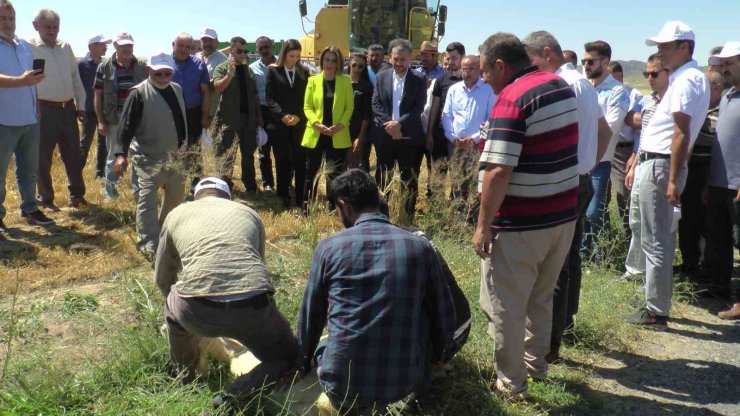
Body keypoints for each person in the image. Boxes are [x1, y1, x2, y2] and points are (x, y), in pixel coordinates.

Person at [296, 169, 456, 413]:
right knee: (422, 312)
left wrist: (303, 361)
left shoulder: (328, 248)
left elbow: (311, 316)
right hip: (403, 383)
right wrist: (438, 358)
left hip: (341, 384)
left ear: (343, 205)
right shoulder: (420, 247)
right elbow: (444, 312)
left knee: (323, 347)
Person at [473, 32, 578, 400]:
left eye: (485, 70)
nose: (484, 78)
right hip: (561, 218)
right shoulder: (558, 85)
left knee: (507, 307)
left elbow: (498, 171)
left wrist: (483, 226)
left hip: (521, 225)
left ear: (500, 65)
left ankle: (511, 385)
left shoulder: (512, 99)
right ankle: (535, 365)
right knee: (541, 297)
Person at [155, 177, 300, 390]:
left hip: (196, 309)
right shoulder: (249, 213)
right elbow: (258, 267)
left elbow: (162, 275)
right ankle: (236, 393)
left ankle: (186, 376)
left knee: (172, 309)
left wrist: (178, 301)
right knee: (290, 357)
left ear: (196, 195)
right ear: (227, 196)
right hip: (253, 308)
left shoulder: (176, 214)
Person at [523, 30, 611, 363]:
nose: (530, 71)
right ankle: (565, 324)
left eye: (532, 62)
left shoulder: (561, 86)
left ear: (546, 54)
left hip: (563, 183)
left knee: (553, 266)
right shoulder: (584, 84)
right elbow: (603, 131)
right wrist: (588, 163)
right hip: (581, 178)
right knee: (569, 259)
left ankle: (550, 344)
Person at [624, 21, 710, 329]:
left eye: (664, 46)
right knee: (652, 236)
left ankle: (656, 310)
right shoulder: (687, 78)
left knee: (656, 240)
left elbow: (680, 133)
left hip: (660, 164)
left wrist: (673, 178)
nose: (659, 52)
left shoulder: (687, 80)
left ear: (684, 47)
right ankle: (652, 302)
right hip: (660, 163)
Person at [112, 52, 187, 257]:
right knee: (147, 202)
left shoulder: (177, 89)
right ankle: (148, 245)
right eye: (158, 73)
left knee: (175, 199)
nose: (163, 78)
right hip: (148, 158)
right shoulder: (137, 93)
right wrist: (121, 154)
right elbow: (125, 127)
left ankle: (166, 236)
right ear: (148, 70)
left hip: (176, 158)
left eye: (167, 73)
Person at [0, 0, 55, 236]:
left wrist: (36, 104)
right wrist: (20, 81)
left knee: (28, 169)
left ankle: (30, 209)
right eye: (2, 19)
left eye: (10, 18)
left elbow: (30, 80)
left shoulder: (23, 44)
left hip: (30, 118)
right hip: (4, 120)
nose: (8, 23)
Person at [30, 8, 87, 210]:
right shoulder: (29, 48)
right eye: (48, 27)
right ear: (36, 26)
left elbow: (75, 77)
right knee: (43, 157)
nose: (52, 31)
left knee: (73, 154)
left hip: (68, 108)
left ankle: (77, 196)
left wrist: (81, 106)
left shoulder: (65, 47)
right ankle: (45, 199)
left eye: (55, 27)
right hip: (44, 109)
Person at [623, 54, 671, 280]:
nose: (649, 78)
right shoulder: (649, 101)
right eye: (646, 74)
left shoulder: (672, 102)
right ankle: (635, 270)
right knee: (636, 219)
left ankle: (654, 276)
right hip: (643, 162)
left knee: (654, 224)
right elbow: (645, 136)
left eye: (654, 73)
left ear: (668, 73)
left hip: (660, 165)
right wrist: (634, 161)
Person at [581, 40, 629, 259]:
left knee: (593, 211)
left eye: (590, 61)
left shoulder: (617, 91)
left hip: (600, 160)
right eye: (583, 61)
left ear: (606, 62)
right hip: (581, 158)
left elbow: (610, 127)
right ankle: (584, 253)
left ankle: (597, 252)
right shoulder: (584, 87)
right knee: (581, 210)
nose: (586, 66)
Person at [372, 38, 426, 223]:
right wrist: (390, 125)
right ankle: (381, 218)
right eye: (396, 59)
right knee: (383, 179)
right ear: (390, 57)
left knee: (409, 181)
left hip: (408, 137)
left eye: (403, 59)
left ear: (410, 58)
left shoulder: (419, 79)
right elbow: (376, 103)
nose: (399, 63)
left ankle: (407, 220)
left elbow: (419, 107)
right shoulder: (382, 76)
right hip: (385, 136)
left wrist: (400, 125)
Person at [678, 70, 724, 281]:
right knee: (686, 220)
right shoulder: (699, 107)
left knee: (706, 222)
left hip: (708, 168)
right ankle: (689, 264)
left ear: (716, 87)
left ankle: (706, 269)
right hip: (690, 166)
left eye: (705, 85)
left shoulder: (722, 110)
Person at [706, 42, 740, 319]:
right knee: (718, 239)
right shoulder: (728, 96)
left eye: (730, 63)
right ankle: (719, 288)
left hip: (737, 185)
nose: (724, 69)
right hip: (718, 182)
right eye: (723, 64)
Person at [94, 32, 147, 200]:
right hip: (115, 116)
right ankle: (110, 193)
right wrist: (101, 121)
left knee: (138, 155)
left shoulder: (141, 65)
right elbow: (98, 95)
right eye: (124, 45)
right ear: (116, 46)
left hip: (138, 116)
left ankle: (137, 191)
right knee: (113, 156)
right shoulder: (105, 66)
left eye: (130, 45)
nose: (127, 48)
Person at [301, 45, 353, 214]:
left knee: (335, 175)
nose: (329, 63)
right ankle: (307, 207)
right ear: (321, 60)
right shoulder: (312, 80)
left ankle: (333, 207)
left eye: (333, 60)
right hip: (316, 133)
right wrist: (316, 124)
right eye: (327, 59)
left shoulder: (345, 81)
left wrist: (340, 125)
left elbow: (349, 108)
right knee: (311, 173)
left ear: (339, 63)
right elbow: (307, 107)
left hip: (337, 134)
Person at [440, 55, 496, 203]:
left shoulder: (488, 90)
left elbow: (491, 119)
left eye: (470, 69)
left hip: (477, 145)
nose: (466, 73)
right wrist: (453, 137)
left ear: (479, 70)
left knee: (475, 182)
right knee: (457, 182)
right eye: (464, 69)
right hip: (455, 144)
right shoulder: (454, 89)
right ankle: (458, 217)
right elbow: (446, 115)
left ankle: (473, 218)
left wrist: (475, 138)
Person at [212, 36, 260, 193]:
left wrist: (259, 118)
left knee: (248, 156)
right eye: (239, 51)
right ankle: (224, 188)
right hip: (228, 121)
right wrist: (230, 74)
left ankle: (251, 187)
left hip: (248, 122)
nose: (243, 54)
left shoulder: (248, 70)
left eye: (245, 51)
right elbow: (217, 88)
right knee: (226, 156)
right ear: (231, 50)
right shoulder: (222, 68)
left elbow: (255, 95)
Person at [265, 39, 309, 208]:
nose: (294, 59)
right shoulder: (273, 71)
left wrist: (299, 116)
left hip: (299, 124)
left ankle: (300, 197)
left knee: (299, 160)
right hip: (279, 124)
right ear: (284, 54)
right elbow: (269, 98)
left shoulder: (303, 71)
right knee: (282, 161)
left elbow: (306, 97)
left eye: (297, 56)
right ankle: (283, 195)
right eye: (291, 56)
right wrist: (282, 116)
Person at [423, 41, 465, 198]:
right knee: (438, 174)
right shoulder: (441, 80)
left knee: (457, 175)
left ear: (462, 57)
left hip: (459, 137)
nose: (451, 61)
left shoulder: (468, 81)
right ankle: (437, 207)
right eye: (448, 58)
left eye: (454, 58)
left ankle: (455, 208)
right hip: (440, 133)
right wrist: (429, 134)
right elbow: (434, 108)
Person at [608, 61, 643, 241]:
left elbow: (640, 129)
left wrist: (634, 153)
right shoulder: (600, 91)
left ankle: (629, 240)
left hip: (624, 151)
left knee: (624, 198)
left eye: (614, 79)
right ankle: (603, 242)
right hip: (604, 149)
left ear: (621, 77)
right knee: (599, 199)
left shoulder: (634, 95)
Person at [171, 32, 210, 189]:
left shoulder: (199, 64)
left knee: (194, 149)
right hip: (170, 114)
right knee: (173, 148)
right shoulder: (164, 63)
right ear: (173, 45)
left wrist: (205, 116)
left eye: (188, 46)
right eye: (180, 45)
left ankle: (196, 184)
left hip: (193, 112)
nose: (184, 49)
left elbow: (206, 92)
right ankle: (173, 183)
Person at [78, 34, 110, 179]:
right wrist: (79, 107)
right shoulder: (82, 64)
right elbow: (76, 86)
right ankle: (76, 173)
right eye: (102, 44)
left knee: (103, 144)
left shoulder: (106, 64)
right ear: (92, 46)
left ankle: (100, 174)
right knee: (85, 142)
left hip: (104, 110)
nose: (106, 47)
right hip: (89, 110)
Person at [250, 36, 276, 192]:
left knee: (283, 150)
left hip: (279, 111)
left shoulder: (281, 63)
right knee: (264, 150)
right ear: (257, 50)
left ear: (272, 46)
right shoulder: (252, 68)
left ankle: (286, 182)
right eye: (261, 48)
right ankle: (267, 183)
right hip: (262, 111)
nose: (264, 50)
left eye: (266, 47)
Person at [345, 52, 374, 172]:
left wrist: (360, 136)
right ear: (349, 65)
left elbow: (367, 114)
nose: (357, 69)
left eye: (361, 66)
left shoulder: (367, 87)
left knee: (353, 168)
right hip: (339, 131)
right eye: (354, 65)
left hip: (356, 131)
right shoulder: (341, 82)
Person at [195, 27, 227, 120]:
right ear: (200, 42)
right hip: (196, 109)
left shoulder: (223, 60)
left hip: (213, 112)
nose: (207, 43)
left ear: (217, 42)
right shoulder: (197, 56)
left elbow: (219, 85)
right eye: (204, 40)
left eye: (210, 40)